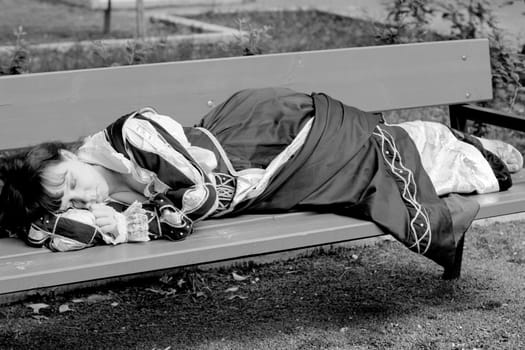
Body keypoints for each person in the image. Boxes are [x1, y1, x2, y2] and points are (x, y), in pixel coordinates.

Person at [0, 87, 522, 275]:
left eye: (69, 180)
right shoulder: (104, 190)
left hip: (260, 137)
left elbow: (204, 185)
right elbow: (57, 230)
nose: (80, 196)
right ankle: (461, 155)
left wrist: (160, 211)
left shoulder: (129, 135)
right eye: (66, 198)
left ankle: (465, 154)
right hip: (259, 177)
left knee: (358, 161)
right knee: (351, 178)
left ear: (69, 153)